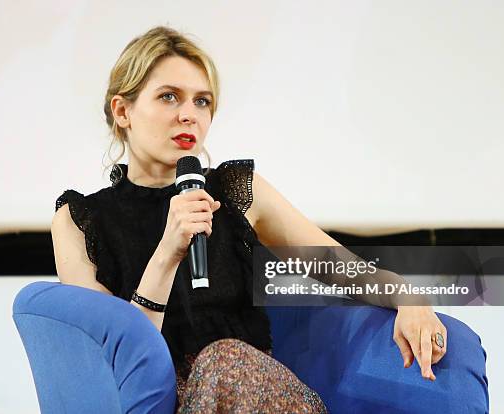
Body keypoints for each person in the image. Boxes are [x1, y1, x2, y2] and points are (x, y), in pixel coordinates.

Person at [51, 26, 447, 413]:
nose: (189, 115)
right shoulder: (78, 222)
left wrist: (406, 293)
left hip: (259, 395)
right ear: (123, 111)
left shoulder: (236, 190)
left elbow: (335, 265)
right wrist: (167, 255)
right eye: (170, 97)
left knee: (223, 360)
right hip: (164, 402)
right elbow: (117, 363)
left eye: (202, 101)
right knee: (214, 366)